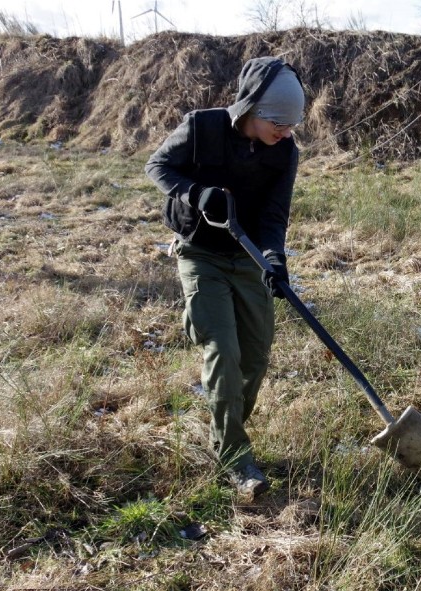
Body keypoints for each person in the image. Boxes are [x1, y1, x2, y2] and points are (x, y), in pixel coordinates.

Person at [145, 57, 305, 497]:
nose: (285, 132)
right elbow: (157, 166)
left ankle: (225, 424)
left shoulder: (285, 152)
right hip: (201, 254)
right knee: (223, 349)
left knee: (254, 355)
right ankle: (235, 456)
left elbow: (274, 215)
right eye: (277, 121)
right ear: (251, 107)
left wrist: (275, 260)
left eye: (292, 125)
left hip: (249, 256)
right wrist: (197, 194)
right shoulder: (202, 128)